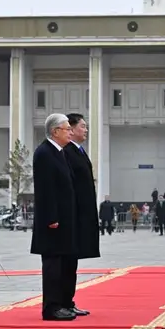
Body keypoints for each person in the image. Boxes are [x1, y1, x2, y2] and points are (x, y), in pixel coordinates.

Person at [31, 113, 79, 321]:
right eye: (67, 128)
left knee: (63, 264)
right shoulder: (44, 153)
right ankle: (51, 307)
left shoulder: (59, 152)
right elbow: (46, 189)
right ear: (55, 131)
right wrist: (51, 217)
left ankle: (62, 303)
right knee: (52, 265)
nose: (70, 132)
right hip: (52, 221)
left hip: (64, 219)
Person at [63, 113, 99, 317]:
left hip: (82, 214)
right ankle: (64, 301)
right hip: (73, 215)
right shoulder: (67, 152)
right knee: (67, 262)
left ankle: (69, 300)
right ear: (72, 128)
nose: (85, 130)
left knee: (72, 263)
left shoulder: (79, 151)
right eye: (82, 126)